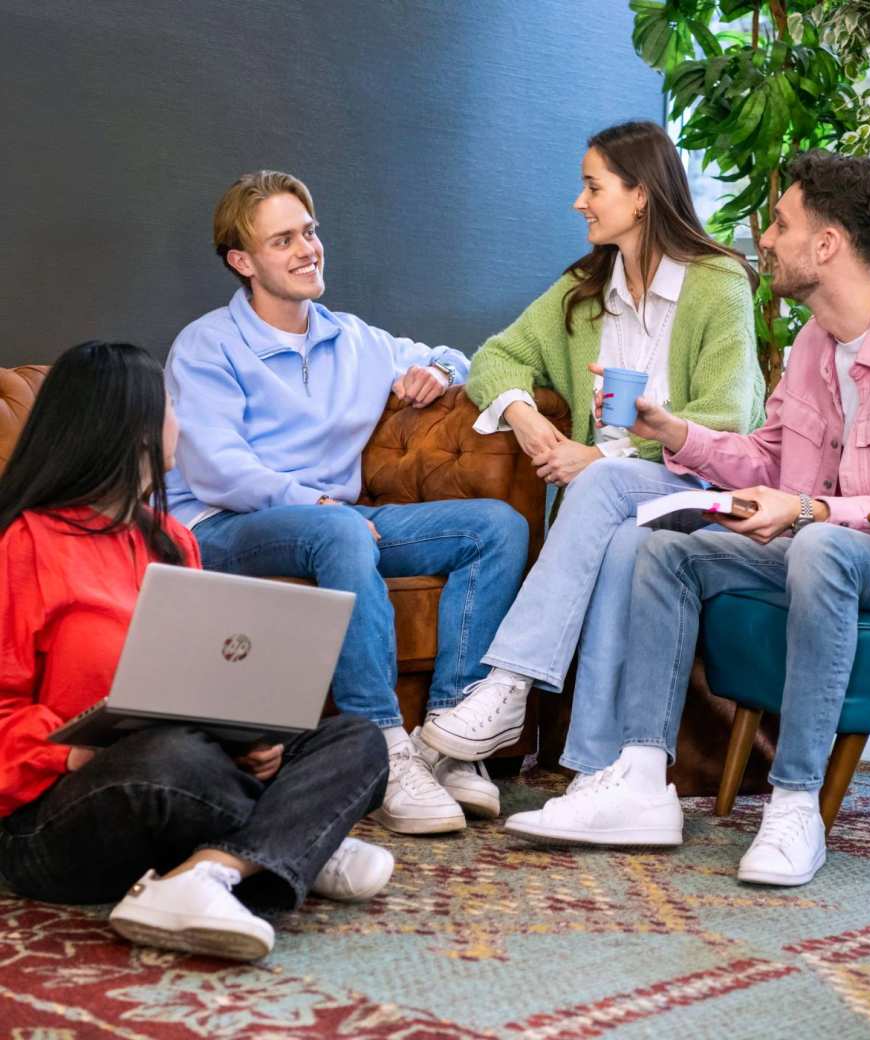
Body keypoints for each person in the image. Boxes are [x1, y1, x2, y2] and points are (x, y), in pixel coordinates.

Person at [499, 151, 870, 886]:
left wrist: (809, 509)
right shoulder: (815, 342)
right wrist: (672, 431)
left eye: (781, 224)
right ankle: (644, 777)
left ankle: (796, 802)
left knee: (821, 550)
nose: (765, 239)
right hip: (832, 543)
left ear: (827, 245)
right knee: (664, 552)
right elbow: (771, 456)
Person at [0, 341, 395, 961]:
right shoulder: (23, 544)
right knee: (167, 756)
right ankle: (290, 841)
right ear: (130, 430)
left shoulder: (174, 539)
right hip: (53, 818)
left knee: (356, 741)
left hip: (185, 777)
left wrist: (248, 742)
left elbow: (200, 681)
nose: (180, 424)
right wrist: (77, 752)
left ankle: (206, 872)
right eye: (171, 408)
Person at [165, 171, 529, 836]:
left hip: (340, 525)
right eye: (284, 240)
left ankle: (448, 743)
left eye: (310, 231)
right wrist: (320, 503)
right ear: (243, 262)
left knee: (497, 526)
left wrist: (440, 372)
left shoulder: (355, 340)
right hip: (223, 528)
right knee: (341, 532)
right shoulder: (207, 344)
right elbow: (217, 470)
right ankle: (383, 745)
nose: (308, 249)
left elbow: (455, 356)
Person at [421, 121, 764, 777]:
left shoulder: (717, 282)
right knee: (624, 542)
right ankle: (593, 770)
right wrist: (523, 417)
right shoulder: (586, 288)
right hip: (610, 510)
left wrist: (603, 460)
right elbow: (497, 356)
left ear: (640, 195)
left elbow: (730, 415)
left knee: (600, 488)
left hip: (695, 488)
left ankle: (507, 685)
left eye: (592, 186)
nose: (580, 201)